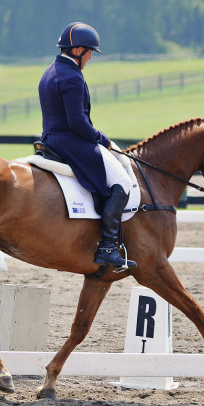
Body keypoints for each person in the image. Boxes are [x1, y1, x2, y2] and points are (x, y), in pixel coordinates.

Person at [38, 22, 136, 270]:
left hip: (51, 138)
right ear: (78, 50)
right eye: (90, 52)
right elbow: (78, 124)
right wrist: (105, 140)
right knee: (122, 181)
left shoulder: (51, 70)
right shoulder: (71, 77)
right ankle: (107, 247)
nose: (91, 57)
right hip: (70, 141)